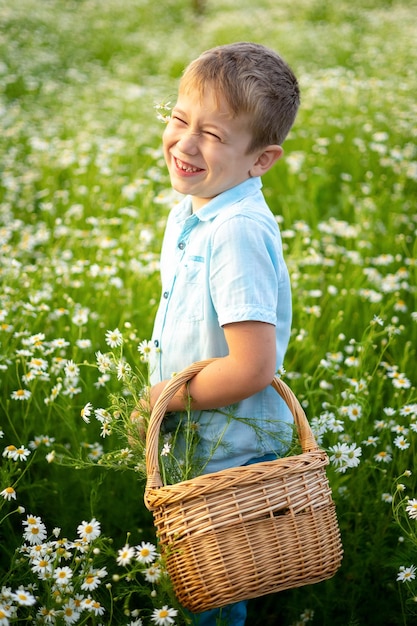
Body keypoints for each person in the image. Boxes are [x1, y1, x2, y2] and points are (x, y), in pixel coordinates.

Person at [136, 41, 300, 626]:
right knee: (191, 589)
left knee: (212, 595)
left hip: (226, 454)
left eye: (212, 134)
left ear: (261, 160)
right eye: (180, 119)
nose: (183, 143)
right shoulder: (194, 210)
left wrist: (165, 398)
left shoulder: (235, 231)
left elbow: (253, 366)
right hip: (194, 439)